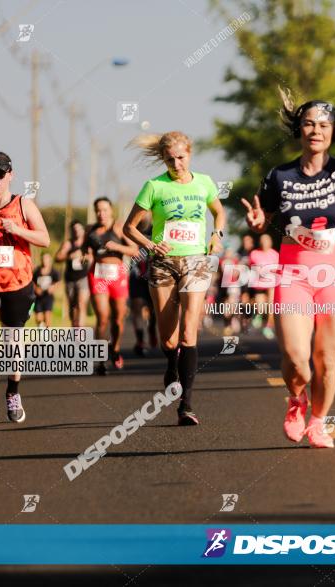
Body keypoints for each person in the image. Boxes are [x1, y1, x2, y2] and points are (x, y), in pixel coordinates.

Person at [242, 73, 335, 448]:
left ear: (333, 132)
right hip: (293, 273)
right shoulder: (280, 176)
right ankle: (296, 400)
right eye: (309, 123)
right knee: (296, 359)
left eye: (324, 125)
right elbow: (267, 216)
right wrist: (261, 221)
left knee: (326, 359)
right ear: (299, 129)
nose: (316, 130)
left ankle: (318, 421)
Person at [124, 130, 226, 426]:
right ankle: (171, 364)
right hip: (162, 264)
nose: (176, 164)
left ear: (189, 154)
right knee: (169, 339)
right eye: (170, 160)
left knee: (188, 333)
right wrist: (149, 245)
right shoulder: (154, 186)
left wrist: (216, 235)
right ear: (164, 159)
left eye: (181, 158)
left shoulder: (205, 183)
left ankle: (186, 405)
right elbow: (128, 228)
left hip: (196, 261)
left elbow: (219, 212)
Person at [0, 152, 50, 422]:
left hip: (18, 282)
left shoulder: (23, 204)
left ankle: (13, 392)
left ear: (10, 175)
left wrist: (17, 230)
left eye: (0, 174)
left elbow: (45, 239)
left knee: (14, 342)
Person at [85, 197, 138, 374]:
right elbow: (86, 250)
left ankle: (114, 349)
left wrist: (117, 246)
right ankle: (101, 359)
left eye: (105, 210)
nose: (101, 214)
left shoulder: (119, 227)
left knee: (118, 318)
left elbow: (135, 250)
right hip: (98, 274)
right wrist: (86, 256)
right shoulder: (90, 230)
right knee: (102, 317)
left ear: (111, 211)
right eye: (98, 210)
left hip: (117, 275)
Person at [128, 219, 157, 357]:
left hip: (153, 275)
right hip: (136, 275)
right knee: (136, 307)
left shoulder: (157, 226)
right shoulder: (130, 227)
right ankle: (140, 341)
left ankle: (151, 328)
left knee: (154, 310)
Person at [55, 220, 91, 327]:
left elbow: (94, 256)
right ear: (72, 231)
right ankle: (75, 328)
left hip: (84, 277)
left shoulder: (87, 243)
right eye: (74, 230)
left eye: (79, 229)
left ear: (83, 230)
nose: (77, 232)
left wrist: (84, 257)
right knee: (73, 306)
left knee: (81, 304)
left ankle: (81, 332)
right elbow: (57, 258)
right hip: (70, 279)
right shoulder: (68, 243)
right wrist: (69, 256)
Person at [248, 233, 278, 339]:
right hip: (259, 284)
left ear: (270, 242)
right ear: (260, 242)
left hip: (271, 284)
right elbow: (252, 267)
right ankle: (259, 315)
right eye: (263, 241)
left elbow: (278, 269)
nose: (265, 243)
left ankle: (268, 327)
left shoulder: (274, 254)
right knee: (260, 306)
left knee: (271, 306)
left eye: (266, 240)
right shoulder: (254, 253)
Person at [32, 253, 61, 328]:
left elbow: (58, 281)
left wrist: (53, 287)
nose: (45, 261)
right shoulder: (37, 271)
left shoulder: (53, 272)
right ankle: (41, 332)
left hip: (48, 297)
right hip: (38, 298)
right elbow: (32, 282)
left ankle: (46, 336)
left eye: (47, 259)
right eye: (43, 259)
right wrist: (36, 289)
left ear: (50, 261)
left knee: (47, 318)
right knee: (38, 318)